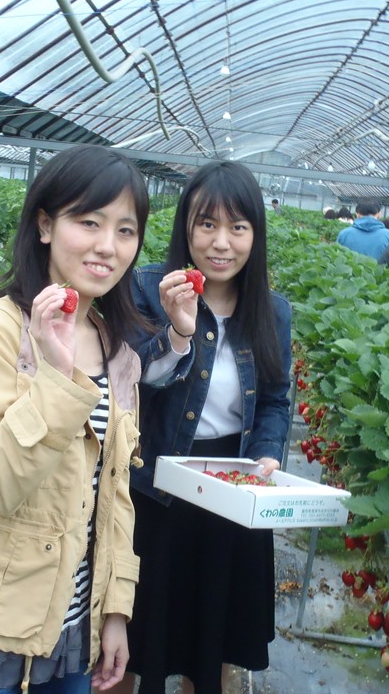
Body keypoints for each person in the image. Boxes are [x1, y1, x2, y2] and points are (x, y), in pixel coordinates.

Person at [0, 145, 151, 694]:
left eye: (125, 230)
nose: (107, 246)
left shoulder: (115, 348)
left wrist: (115, 610)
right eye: (89, 222)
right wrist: (56, 379)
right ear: (44, 225)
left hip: (71, 629)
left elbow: (114, 494)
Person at [115, 161, 293, 694]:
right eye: (207, 224)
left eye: (238, 227)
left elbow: (275, 400)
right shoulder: (147, 289)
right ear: (185, 228)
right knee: (131, 639)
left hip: (231, 493)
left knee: (210, 641)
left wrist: (268, 453)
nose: (221, 242)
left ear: (255, 235)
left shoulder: (272, 313)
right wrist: (176, 332)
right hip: (156, 490)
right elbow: (129, 382)